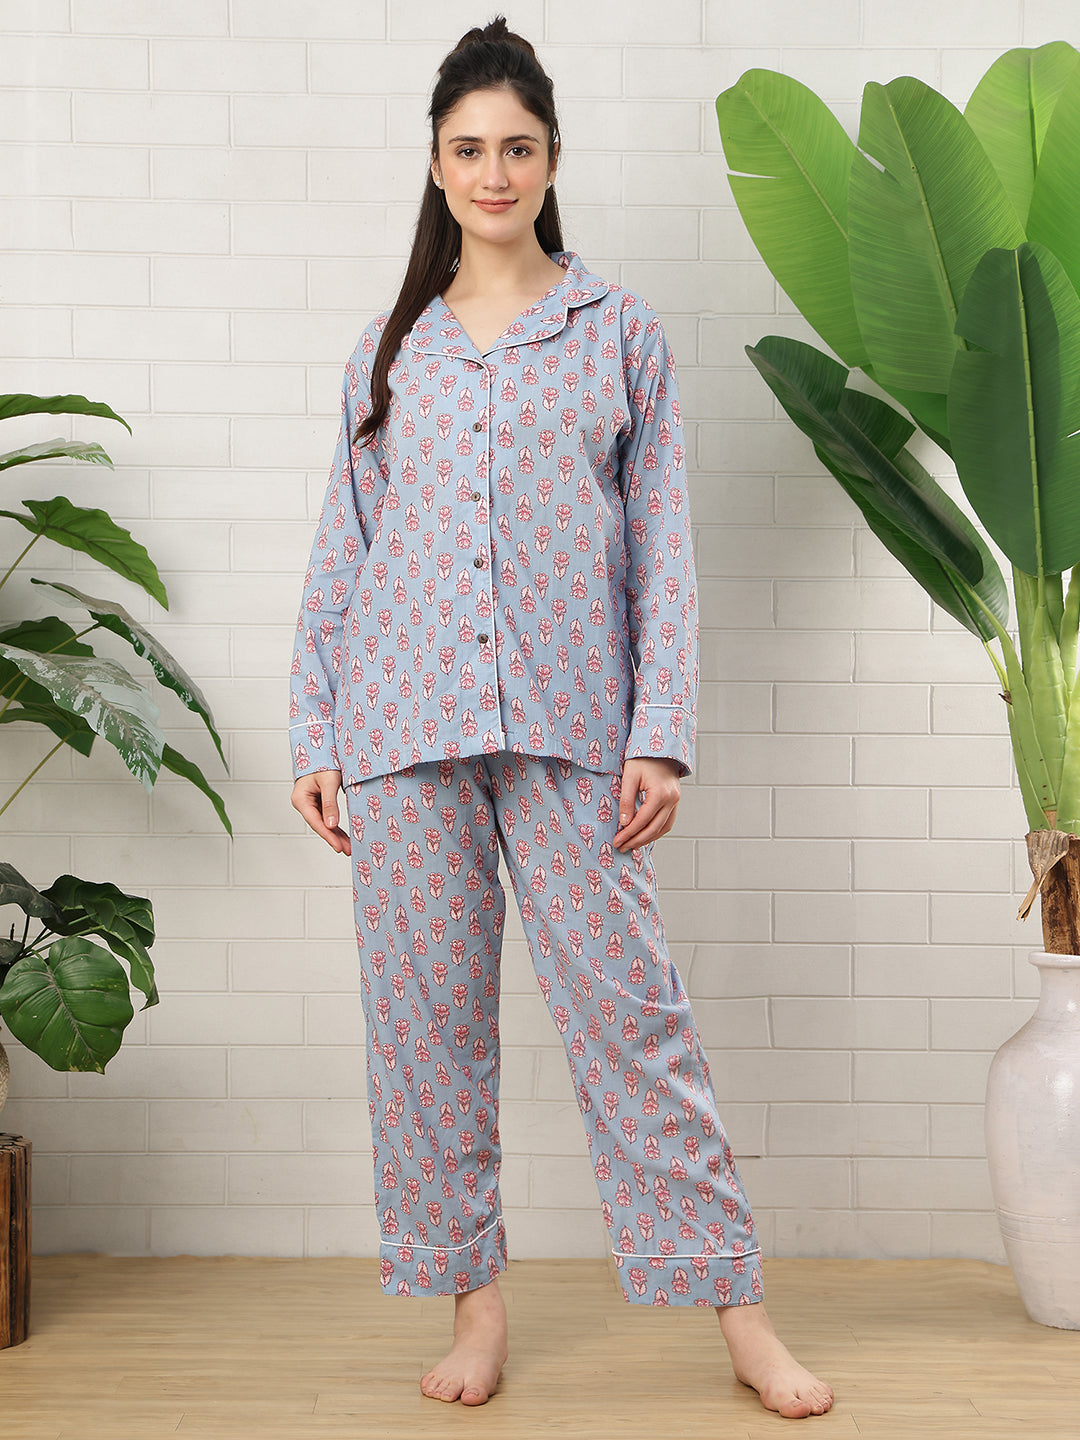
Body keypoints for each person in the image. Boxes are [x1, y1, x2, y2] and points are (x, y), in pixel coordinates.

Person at [289, 14, 833, 1421]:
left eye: (516, 148)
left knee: (634, 1020)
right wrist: (315, 736)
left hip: (578, 731)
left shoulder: (618, 334)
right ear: (435, 163)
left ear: (550, 161)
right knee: (426, 1039)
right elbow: (345, 553)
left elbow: (664, 552)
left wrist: (661, 733)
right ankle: (474, 1311)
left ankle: (739, 1312)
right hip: (399, 731)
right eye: (468, 148)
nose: (493, 172)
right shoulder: (389, 350)